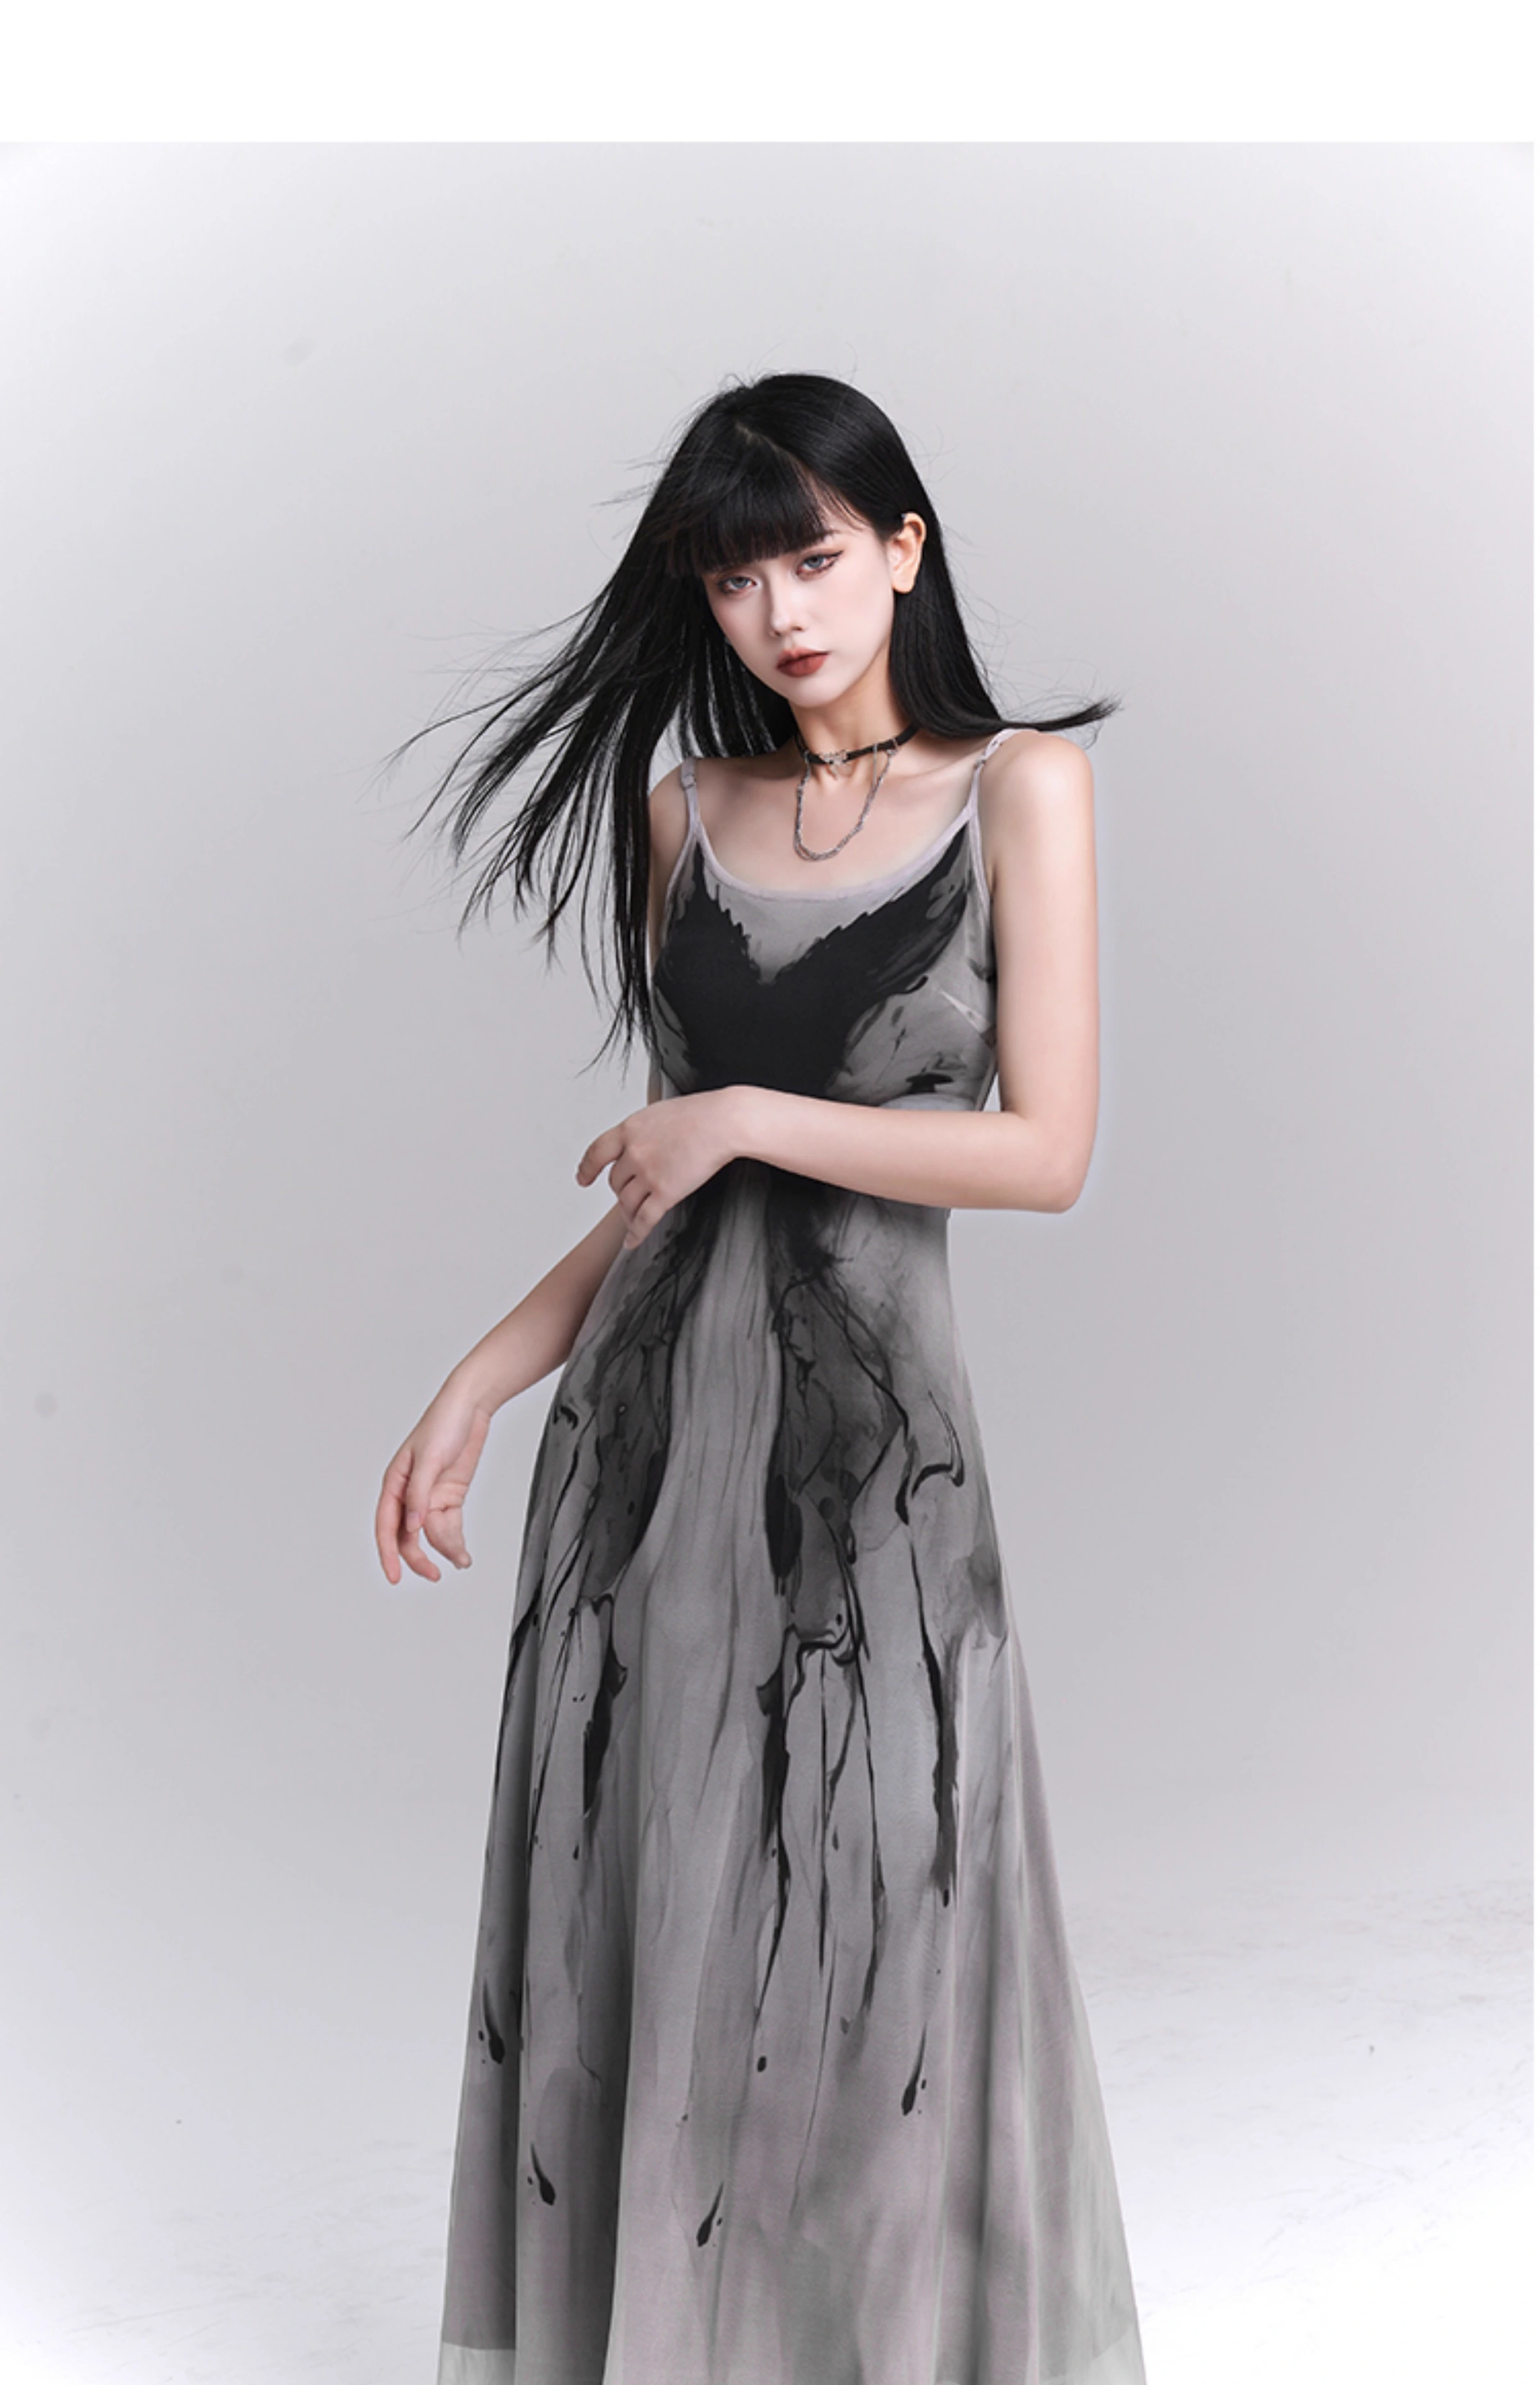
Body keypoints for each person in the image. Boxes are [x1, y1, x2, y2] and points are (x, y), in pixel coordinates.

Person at [375, 373, 1147, 2385]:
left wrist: (746, 1116)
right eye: (735, 579)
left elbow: (1044, 1151)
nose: (782, 612)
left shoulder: (1019, 791)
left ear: (903, 546)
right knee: (654, 1911)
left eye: (812, 556)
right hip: (642, 1464)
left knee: (880, 1917)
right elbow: (663, 1183)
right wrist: (483, 1379)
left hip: (875, 1475)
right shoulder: (682, 817)